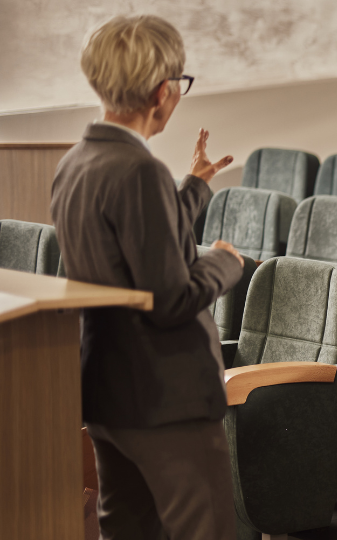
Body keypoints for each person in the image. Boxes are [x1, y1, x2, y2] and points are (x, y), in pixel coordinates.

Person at [49, 15, 242, 539]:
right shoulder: (139, 170)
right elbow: (169, 296)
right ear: (163, 91)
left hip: (110, 391)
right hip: (167, 397)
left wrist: (196, 188)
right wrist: (225, 262)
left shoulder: (75, 163)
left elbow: (135, 251)